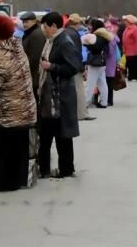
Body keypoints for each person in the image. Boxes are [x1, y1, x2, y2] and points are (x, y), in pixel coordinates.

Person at [0, 15, 37, 191]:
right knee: (18, 149)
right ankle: (17, 180)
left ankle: (4, 183)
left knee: (4, 150)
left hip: (6, 113)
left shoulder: (1, 57)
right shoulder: (17, 49)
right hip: (23, 110)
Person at [38, 12, 81, 178]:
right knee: (55, 134)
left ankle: (64, 169)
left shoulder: (64, 42)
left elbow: (73, 67)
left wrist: (52, 67)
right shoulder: (53, 40)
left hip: (60, 96)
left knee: (61, 135)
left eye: (46, 27)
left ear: (54, 26)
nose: (44, 30)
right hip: (52, 95)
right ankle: (57, 169)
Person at [65, 14, 95, 121]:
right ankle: (82, 114)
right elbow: (77, 53)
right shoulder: (75, 34)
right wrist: (82, 69)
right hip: (75, 66)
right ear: (77, 24)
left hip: (66, 66)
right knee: (79, 90)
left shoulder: (65, 32)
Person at [83, 19, 114, 109]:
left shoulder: (97, 36)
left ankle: (85, 103)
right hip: (102, 62)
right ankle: (104, 102)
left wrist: (87, 45)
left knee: (90, 83)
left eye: (91, 25)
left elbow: (95, 48)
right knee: (102, 82)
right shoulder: (105, 36)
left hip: (95, 62)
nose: (90, 27)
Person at [20, 12, 46, 101]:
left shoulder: (36, 34)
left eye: (27, 22)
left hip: (34, 74)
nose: (24, 24)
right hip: (31, 73)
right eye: (23, 22)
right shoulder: (30, 33)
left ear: (34, 21)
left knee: (35, 99)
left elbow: (35, 57)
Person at [105, 24, 121, 106]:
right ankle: (109, 100)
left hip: (108, 63)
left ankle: (109, 100)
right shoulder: (114, 39)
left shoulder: (110, 41)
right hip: (112, 63)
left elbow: (109, 53)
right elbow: (117, 54)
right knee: (109, 82)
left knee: (108, 82)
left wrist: (103, 55)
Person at [122, 15, 137, 81]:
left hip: (133, 49)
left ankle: (134, 76)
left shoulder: (135, 28)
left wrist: (135, 48)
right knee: (129, 63)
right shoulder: (127, 28)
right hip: (127, 49)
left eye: (126, 21)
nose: (125, 22)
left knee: (133, 63)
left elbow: (136, 39)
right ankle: (131, 76)